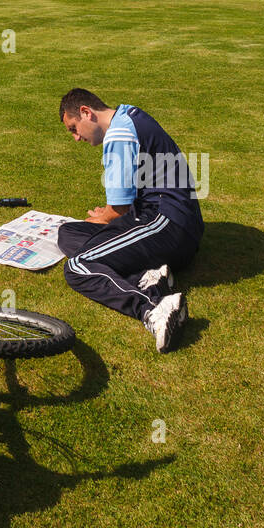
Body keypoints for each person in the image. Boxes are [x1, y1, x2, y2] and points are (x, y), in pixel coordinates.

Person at [56, 89, 203, 352]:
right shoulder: (127, 115)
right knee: (68, 233)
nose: (76, 138)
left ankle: (153, 307)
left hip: (167, 223)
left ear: (86, 112)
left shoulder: (119, 134)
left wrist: (105, 218)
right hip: (161, 217)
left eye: (74, 128)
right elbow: (119, 208)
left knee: (78, 266)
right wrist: (106, 217)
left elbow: (118, 210)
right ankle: (149, 276)